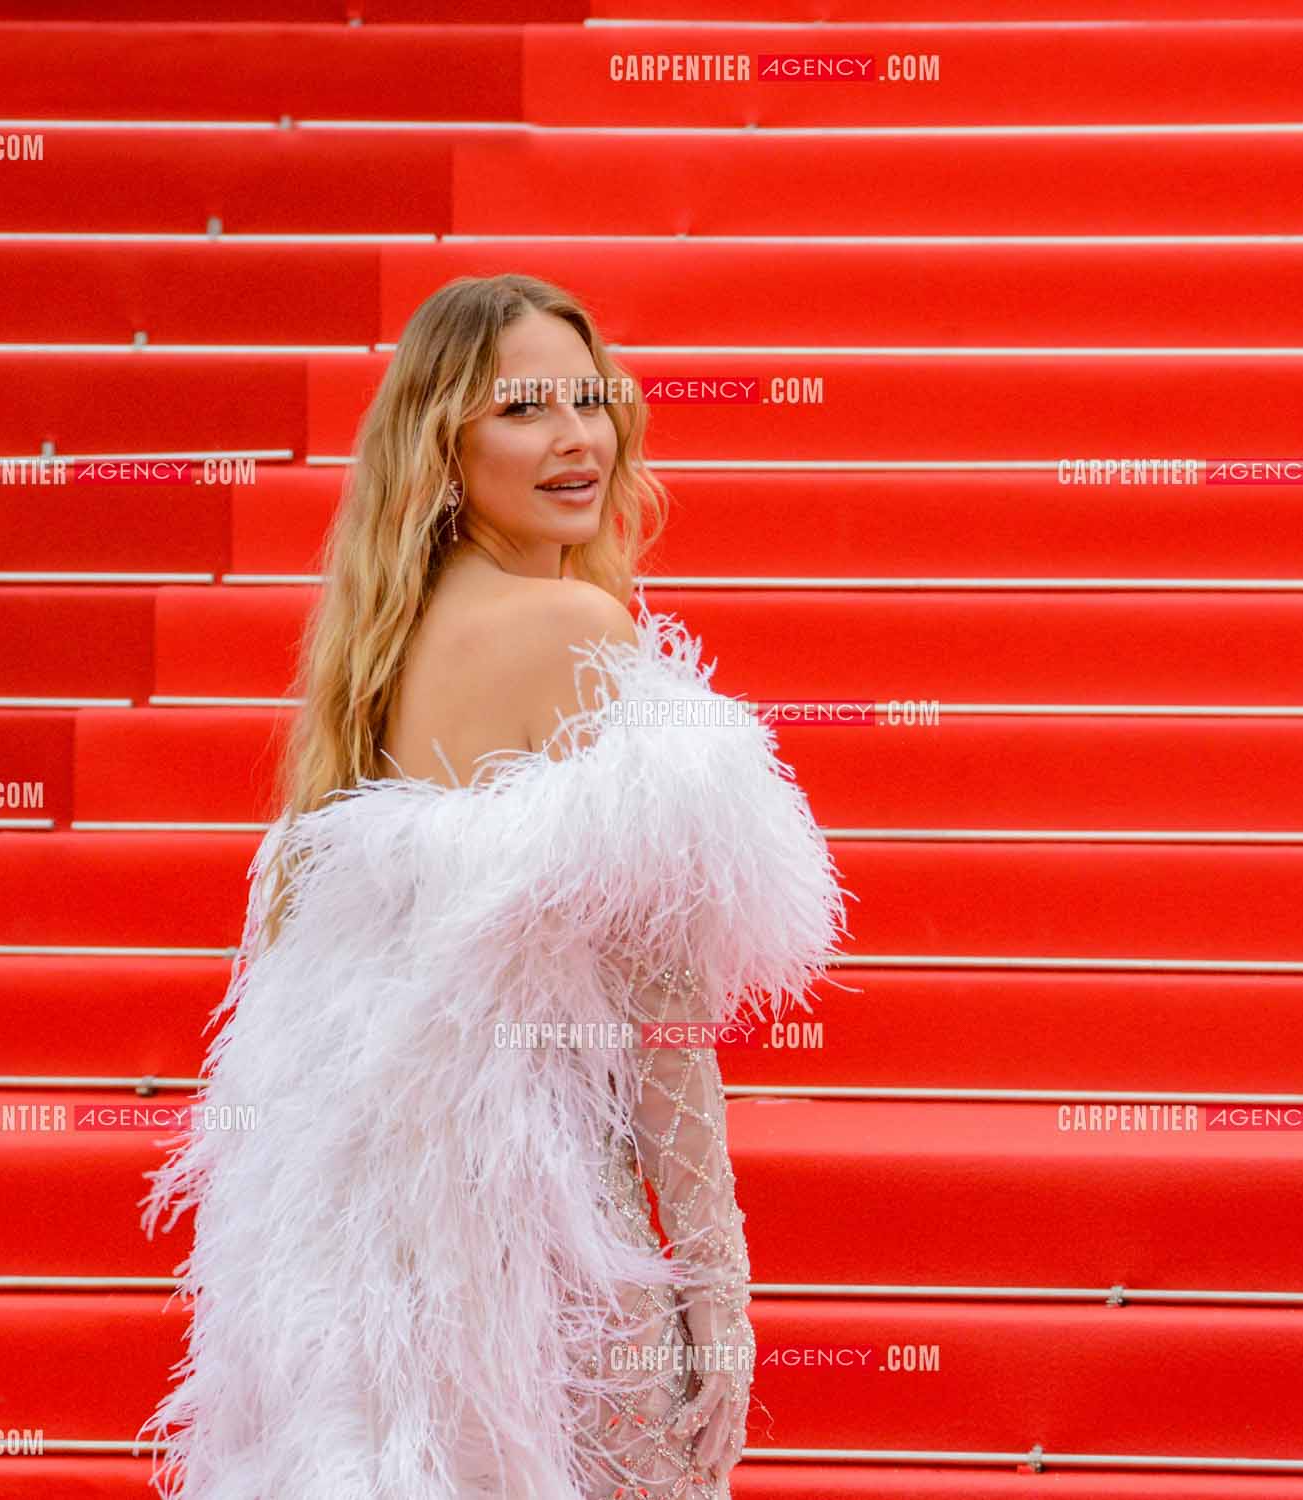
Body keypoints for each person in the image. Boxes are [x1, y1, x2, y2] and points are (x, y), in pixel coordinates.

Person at [138, 273, 851, 1499]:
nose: (577, 438)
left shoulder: (380, 653)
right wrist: (716, 1293)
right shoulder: (572, 627)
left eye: (588, 399)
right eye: (523, 409)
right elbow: (660, 1013)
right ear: (446, 444)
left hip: (369, 1285)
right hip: (550, 1276)